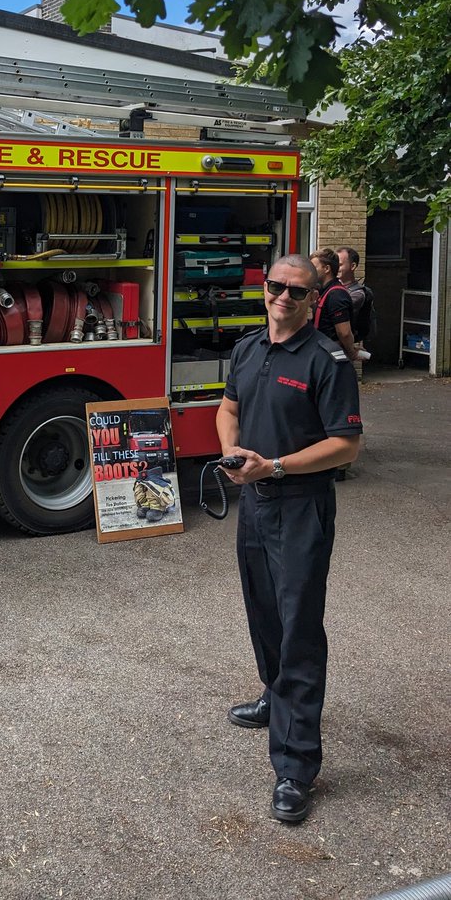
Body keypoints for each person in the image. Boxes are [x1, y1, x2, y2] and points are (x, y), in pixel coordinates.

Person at [216, 254, 363, 824]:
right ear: (265, 288)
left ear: (313, 299)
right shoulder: (249, 349)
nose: (283, 297)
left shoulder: (327, 361)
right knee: (263, 614)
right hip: (254, 503)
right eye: (276, 286)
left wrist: (273, 466)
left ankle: (297, 766)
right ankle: (275, 696)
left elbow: (346, 446)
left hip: (300, 506)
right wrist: (233, 453)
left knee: (298, 626)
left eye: (297, 292)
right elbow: (229, 409)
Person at [310, 248, 358, 362]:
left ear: (327, 269)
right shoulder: (324, 291)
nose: (310, 272)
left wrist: (351, 352)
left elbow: (344, 333)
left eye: (314, 268)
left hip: (331, 357)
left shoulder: (337, 295)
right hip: (321, 352)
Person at [337, 246, 376, 347]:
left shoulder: (357, 294)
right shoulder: (334, 287)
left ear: (353, 266)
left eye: (340, 264)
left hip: (344, 346)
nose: (336, 267)